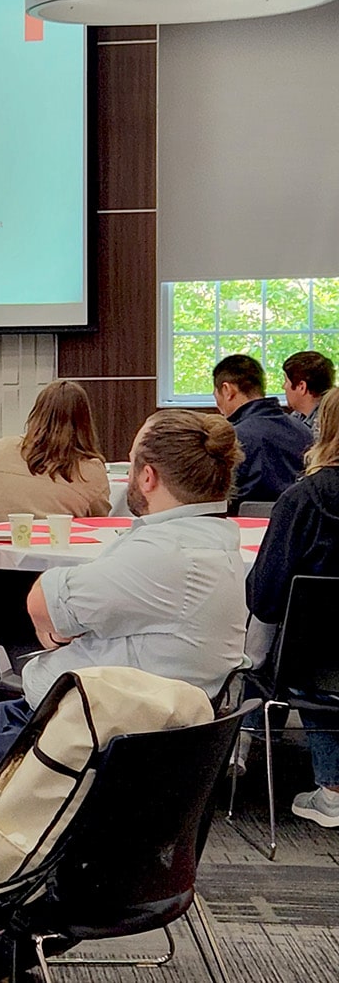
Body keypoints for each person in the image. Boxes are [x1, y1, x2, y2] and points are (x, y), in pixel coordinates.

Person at [0, 410, 249, 769]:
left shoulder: (163, 554)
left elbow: (41, 601)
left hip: (77, 739)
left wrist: (61, 626)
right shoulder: (216, 543)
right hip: (127, 730)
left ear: (147, 476)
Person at [245, 390, 339, 827]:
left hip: (313, 663)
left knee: (269, 644)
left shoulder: (303, 500)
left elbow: (264, 595)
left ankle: (332, 788)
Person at [0, 380, 111, 523]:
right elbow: (99, 522)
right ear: (85, 422)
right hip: (59, 543)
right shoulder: (90, 471)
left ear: (36, 412)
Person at [214, 353, 311, 508]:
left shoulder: (231, 440)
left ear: (227, 390)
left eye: (216, 395)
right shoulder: (304, 431)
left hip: (243, 526)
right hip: (299, 526)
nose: (218, 406)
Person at [282, 350, 334, 436]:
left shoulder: (328, 425)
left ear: (302, 387)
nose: (283, 387)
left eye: (286, 381)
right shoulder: (297, 416)